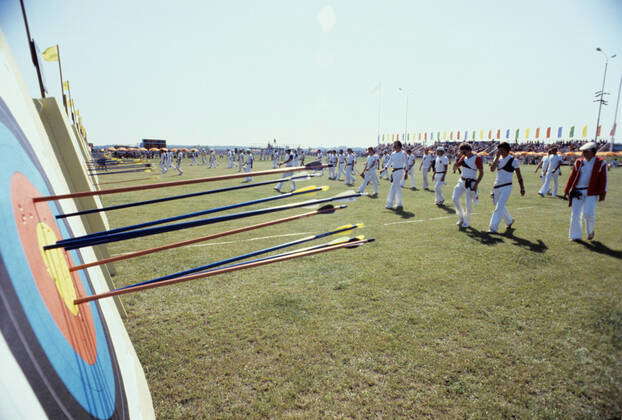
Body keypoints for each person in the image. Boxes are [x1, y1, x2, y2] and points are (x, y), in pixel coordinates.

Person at [563, 142, 608, 241]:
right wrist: (567, 190)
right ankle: (575, 236)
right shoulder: (578, 162)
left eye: (586, 151)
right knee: (575, 214)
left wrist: (603, 192)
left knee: (588, 213)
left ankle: (590, 231)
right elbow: (572, 177)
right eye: (583, 152)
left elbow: (604, 179)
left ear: (592, 152)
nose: (583, 154)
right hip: (577, 191)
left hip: (591, 192)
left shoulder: (601, 163)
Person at [488, 142, 525, 233]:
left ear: (507, 150)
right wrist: (496, 157)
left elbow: (519, 175)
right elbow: (492, 169)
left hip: (507, 187)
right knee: (500, 206)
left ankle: (493, 228)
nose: (500, 151)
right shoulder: (497, 158)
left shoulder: (513, 160)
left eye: (502, 149)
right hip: (496, 186)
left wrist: (522, 187)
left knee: (498, 207)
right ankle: (509, 221)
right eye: (499, 149)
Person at [452, 143, 484, 228]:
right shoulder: (463, 157)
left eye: (464, 151)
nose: (462, 153)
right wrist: (457, 158)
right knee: (454, 198)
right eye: (461, 151)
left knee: (468, 203)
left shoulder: (477, 158)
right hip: (461, 181)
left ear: (469, 150)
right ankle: (461, 217)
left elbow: (481, 172)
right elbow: (454, 168)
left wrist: (476, 184)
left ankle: (466, 221)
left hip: (471, 182)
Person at [384, 141, 408, 211]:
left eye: (395, 146)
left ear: (399, 146)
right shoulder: (393, 153)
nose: (394, 147)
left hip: (400, 171)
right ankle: (399, 203)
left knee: (393, 187)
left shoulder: (403, 153)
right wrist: (385, 167)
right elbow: (390, 161)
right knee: (397, 187)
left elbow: (406, 163)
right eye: (394, 146)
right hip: (394, 171)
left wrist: (406, 172)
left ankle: (389, 204)